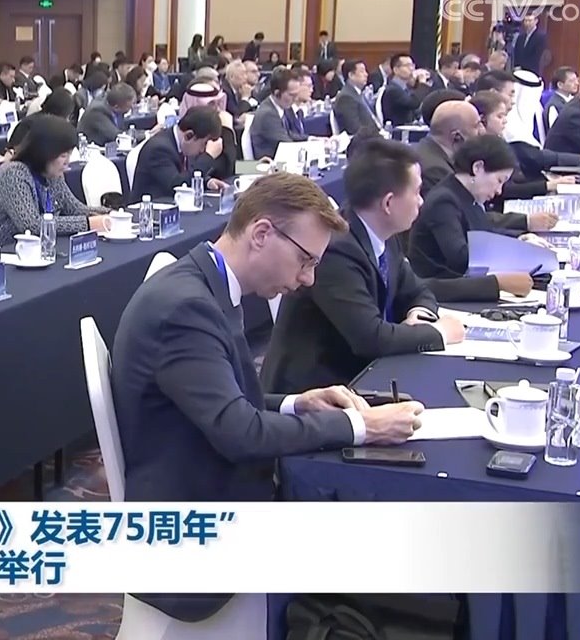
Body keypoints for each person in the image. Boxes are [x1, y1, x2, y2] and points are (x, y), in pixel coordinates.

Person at [111, 170, 425, 621]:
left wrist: (299, 402)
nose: (309, 279)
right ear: (261, 234)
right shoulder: (185, 308)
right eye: (305, 260)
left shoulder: (204, 284)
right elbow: (242, 433)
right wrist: (360, 426)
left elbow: (224, 402)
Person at [260, 140, 463, 394]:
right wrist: (438, 332)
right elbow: (369, 338)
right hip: (315, 391)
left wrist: (419, 315)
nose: (421, 202)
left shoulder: (385, 235)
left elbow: (418, 291)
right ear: (388, 203)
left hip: (360, 374)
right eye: (416, 192)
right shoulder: (335, 250)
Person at [409, 135, 549, 291]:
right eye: (499, 180)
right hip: (443, 290)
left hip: (464, 283)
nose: (499, 190)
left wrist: (520, 239)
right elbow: (461, 257)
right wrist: (516, 252)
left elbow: (485, 232)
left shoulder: (467, 196)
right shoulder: (444, 201)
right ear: (478, 168)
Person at [0, 115, 108, 254]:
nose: (67, 162)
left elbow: (75, 209)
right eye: (63, 155)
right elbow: (32, 225)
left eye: (69, 154)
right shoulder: (14, 174)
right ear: (45, 152)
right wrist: (87, 224)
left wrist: (110, 214)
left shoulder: (52, 174)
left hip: (16, 252)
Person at [130, 106, 229, 200]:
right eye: (204, 144)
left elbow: (187, 174)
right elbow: (177, 185)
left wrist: (206, 182)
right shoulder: (159, 149)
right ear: (189, 136)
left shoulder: (184, 144)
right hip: (150, 208)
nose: (202, 151)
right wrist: (208, 156)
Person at [248, 68, 307, 160]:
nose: (295, 99)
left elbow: (288, 134)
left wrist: (310, 139)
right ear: (277, 93)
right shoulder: (268, 114)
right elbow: (287, 144)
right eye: (292, 95)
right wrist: (311, 146)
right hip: (268, 163)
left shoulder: (281, 106)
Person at [332, 59, 381, 135]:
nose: (366, 74)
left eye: (365, 71)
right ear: (351, 75)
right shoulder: (345, 98)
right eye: (362, 71)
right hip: (366, 139)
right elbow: (355, 129)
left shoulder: (358, 93)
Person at [380, 54, 424, 126]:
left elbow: (416, 110)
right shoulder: (393, 90)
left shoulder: (405, 87)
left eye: (412, 65)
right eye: (407, 65)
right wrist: (422, 84)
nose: (411, 69)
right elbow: (413, 103)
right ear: (396, 70)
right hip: (397, 129)